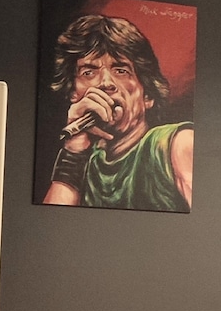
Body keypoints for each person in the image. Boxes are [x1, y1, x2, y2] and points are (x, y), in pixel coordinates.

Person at [42, 14, 194, 211]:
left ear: (147, 95)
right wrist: (73, 151)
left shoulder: (176, 144)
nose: (106, 83)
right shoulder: (86, 163)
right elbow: (53, 220)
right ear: (74, 93)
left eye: (121, 70)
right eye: (89, 72)